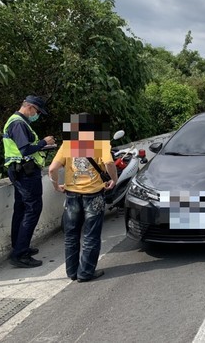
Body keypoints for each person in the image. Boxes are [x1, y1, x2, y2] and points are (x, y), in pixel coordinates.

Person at [48, 113, 118, 282]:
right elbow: (109, 163)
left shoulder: (68, 144)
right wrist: (114, 180)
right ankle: (85, 273)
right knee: (91, 235)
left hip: (72, 195)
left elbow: (52, 169)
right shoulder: (100, 143)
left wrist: (56, 185)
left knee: (71, 235)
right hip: (93, 195)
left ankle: (72, 272)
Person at [3, 95, 56, 268]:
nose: (37, 115)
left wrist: (41, 145)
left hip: (20, 171)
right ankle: (20, 254)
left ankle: (19, 246)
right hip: (25, 172)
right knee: (33, 209)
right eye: (38, 112)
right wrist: (43, 142)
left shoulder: (17, 121)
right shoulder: (18, 123)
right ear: (30, 107)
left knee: (21, 209)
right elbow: (25, 149)